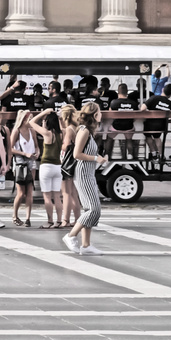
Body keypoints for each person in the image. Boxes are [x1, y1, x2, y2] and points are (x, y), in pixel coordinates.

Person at [64, 101, 105, 255]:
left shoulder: (88, 131)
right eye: (100, 112)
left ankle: (86, 245)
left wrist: (97, 158)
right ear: (94, 115)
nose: (102, 114)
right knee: (95, 209)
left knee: (89, 208)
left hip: (88, 173)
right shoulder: (84, 130)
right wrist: (96, 158)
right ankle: (71, 235)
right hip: (83, 173)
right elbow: (77, 154)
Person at [30, 109, 64, 227]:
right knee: (57, 196)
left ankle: (50, 221)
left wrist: (43, 113)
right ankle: (59, 221)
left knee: (47, 196)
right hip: (58, 166)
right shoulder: (61, 134)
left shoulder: (47, 133)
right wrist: (58, 118)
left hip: (46, 166)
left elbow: (32, 122)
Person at [8, 109, 39, 227]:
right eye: (29, 119)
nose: (31, 121)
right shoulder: (17, 131)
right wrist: (24, 153)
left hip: (31, 161)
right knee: (21, 192)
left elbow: (36, 146)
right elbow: (10, 148)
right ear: (24, 119)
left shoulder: (32, 131)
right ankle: (15, 215)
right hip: (20, 162)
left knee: (30, 191)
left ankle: (28, 218)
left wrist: (37, 153)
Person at [107, 84, 138, 159]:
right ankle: (130, 154)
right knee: (129, 139)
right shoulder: (133, 103)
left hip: (116, 126)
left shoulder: (113, 102)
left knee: (109, 138)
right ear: (127, 92)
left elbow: (110, 114)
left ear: (118, 92)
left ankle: (107, 155)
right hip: (129, 126)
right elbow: (136, 116)